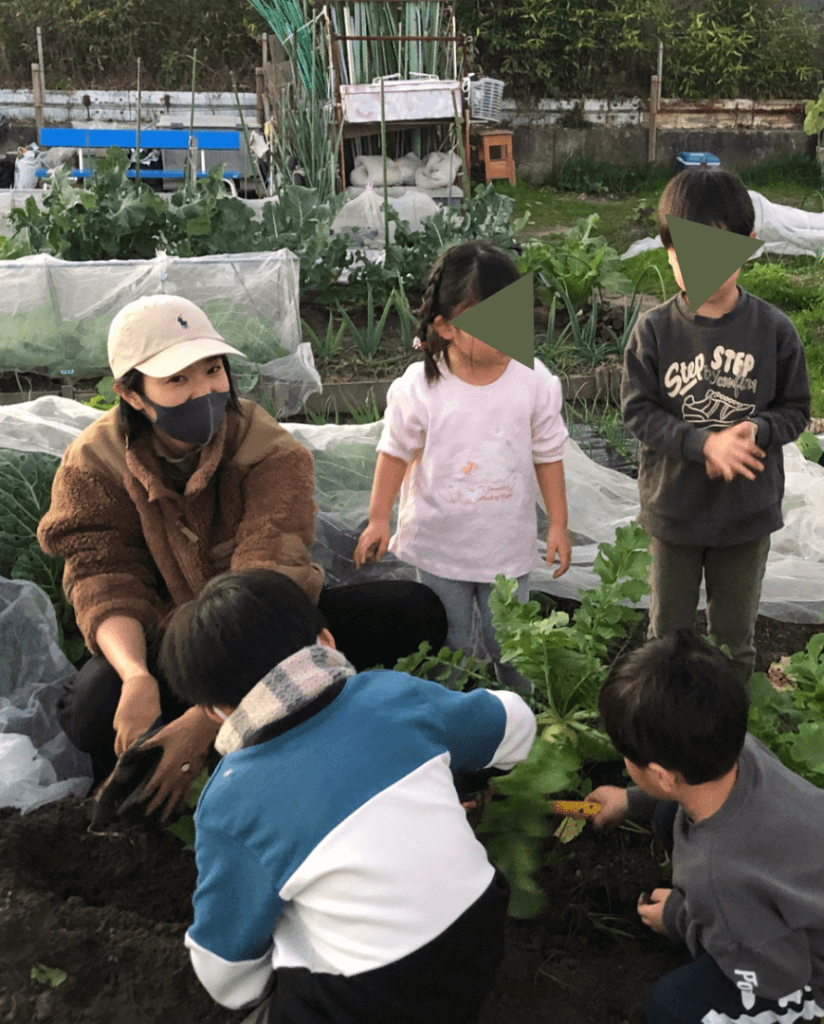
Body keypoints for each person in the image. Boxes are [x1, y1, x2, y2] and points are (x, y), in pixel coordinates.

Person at [36, 294, 447, 816]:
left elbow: (268, 580)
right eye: (177, 380)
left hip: (262, 628)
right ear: (132, 394)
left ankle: (289, 731)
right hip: (168, 642)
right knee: (93, 709)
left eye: (212, 370)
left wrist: (209, 717)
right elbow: (103, 576)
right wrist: (138, 675)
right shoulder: (94, 463)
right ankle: (139, 785)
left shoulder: (265, 446)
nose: (203, 391)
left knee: (413, 611)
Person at [157, 568, 536, 1024]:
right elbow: (516, 724)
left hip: (371, 995)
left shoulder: (229, 802)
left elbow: (224, 971)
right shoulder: (395, 694)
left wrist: (261, 990)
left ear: (215, 713)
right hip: (478, 933)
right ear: (327, 640)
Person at [586, 630, 824, 1024]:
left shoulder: (717, 875)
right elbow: (679, 791)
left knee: (673, 1006)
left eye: (628, 757)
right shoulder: (736, 749)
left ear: (663, 776)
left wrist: (680, 918)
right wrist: (632, 799)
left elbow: (777, 972)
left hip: (815, 971)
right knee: (668, 815)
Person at [353, 241, 571, 690]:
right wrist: (378, 519)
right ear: (446, 327)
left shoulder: (534, 382)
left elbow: (548, 454)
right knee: (445, 645)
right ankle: (448, 719)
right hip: (439, 546)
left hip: (505, 549)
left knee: (511, 644)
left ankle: (521, 720)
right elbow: (393, 452)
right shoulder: (421, 387)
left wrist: (558, 525)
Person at [621, 167, 811, 681]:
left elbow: (796, 409)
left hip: (744, 516)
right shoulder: (655, 330)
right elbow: (638, 412)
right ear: (668, 253)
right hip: (674, 511)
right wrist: (703, 445)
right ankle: (665, 731)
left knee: (734, 642)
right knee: (668, 638)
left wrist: (758, 431)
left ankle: (731, 740)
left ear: (748, 246)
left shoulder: (773, 329)